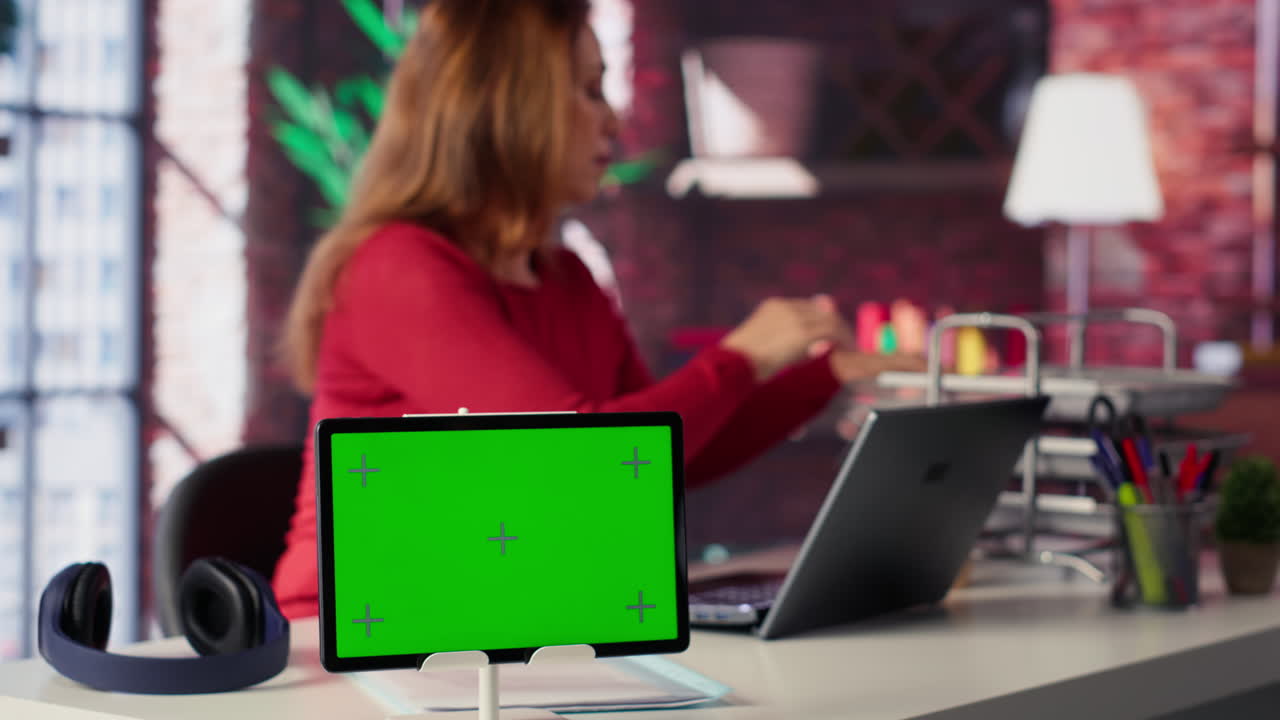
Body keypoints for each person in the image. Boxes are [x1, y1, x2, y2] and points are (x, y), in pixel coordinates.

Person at [271, 0, 922, 620]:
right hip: (351, 636)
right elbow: (585, 461)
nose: (612, 120)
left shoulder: (565, 277)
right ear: (500, 107)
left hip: (493, 620)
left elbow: (667, 458)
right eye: (587, 90)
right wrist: (743, 357)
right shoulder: (399, 268)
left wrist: (828, 375)